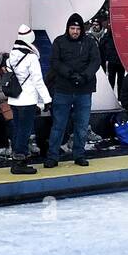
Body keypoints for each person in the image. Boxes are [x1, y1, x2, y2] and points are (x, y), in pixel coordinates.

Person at [45, 13, 101, 169]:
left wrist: (84, 76)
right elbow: (55, 62)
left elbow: (96, 61)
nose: (75, 31)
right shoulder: (59, 42)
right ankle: (52, 156)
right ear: (67, 28)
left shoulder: (90, 42)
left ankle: (79, 154)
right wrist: (69, 74)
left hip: (84, 90)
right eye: (72, 28)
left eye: (77, 28)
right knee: (58, 125)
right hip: (63, 90)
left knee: (82, 126)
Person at [7, 24, 51, 175]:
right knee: (24, 132)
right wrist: (47, 99)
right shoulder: (31, 57)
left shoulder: (12, 54)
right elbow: (38, 81)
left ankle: (17, 159)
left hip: (14, 99)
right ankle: (19, 163)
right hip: (27, 100)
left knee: (18, 130)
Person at [95, 17, 125, 95]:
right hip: (112, 61)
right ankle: (111, 97)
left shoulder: (120, 35)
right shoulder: (107, 36)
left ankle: (120, 98)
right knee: (111, 80)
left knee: (120, 81)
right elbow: (102, 46)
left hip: (120, 61)